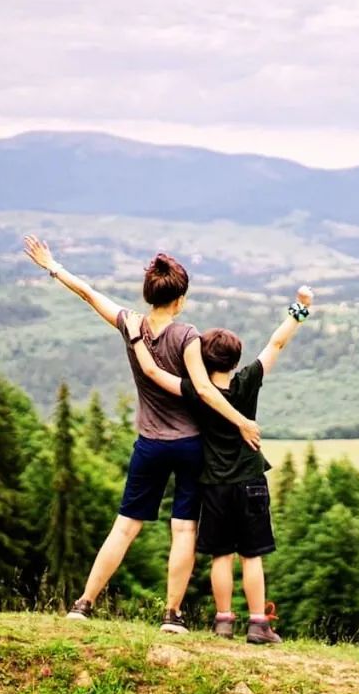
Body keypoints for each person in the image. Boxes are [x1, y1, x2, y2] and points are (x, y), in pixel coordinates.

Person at [22, 235, 261, 633]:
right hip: (190, 445)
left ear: (149, 295)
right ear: (179, 299)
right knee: (183, 529)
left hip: (149, 444)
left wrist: (53, 266)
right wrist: (241, 421)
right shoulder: (187, 336)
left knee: (125, 525)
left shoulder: (130, 324)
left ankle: (84, 603)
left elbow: (88, 294)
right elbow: (203, 390)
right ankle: (172, 614)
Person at [124, 285, 313, 644]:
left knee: (221, 555)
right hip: (250, 481)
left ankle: (223, 621)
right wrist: (300, 309)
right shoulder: (247, 381)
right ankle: (258, 624)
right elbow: (276, 343)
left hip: (213, 484)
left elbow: (152, 372)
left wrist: (136, 337)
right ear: (235, 361)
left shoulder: (195, 392)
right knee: (252, 555)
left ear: (201, 361)